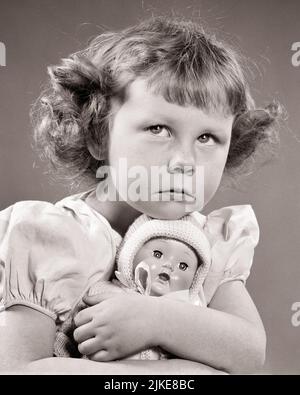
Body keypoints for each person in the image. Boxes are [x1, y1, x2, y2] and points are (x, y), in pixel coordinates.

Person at [0, 16, 281, 374]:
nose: (185, 162)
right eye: (159, 128)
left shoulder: (206, 242)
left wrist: (157, 320)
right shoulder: (47, 238)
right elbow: (17, 369)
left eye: (207, 138)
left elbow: (248, 355)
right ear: (98, 135)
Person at [54, 213, 212, 360]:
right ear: (131, 255)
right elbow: (69, 333)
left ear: (195, 280)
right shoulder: (104, 293)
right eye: (158, 254)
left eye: (183, 266)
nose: (169, 265)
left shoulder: (191, 318)